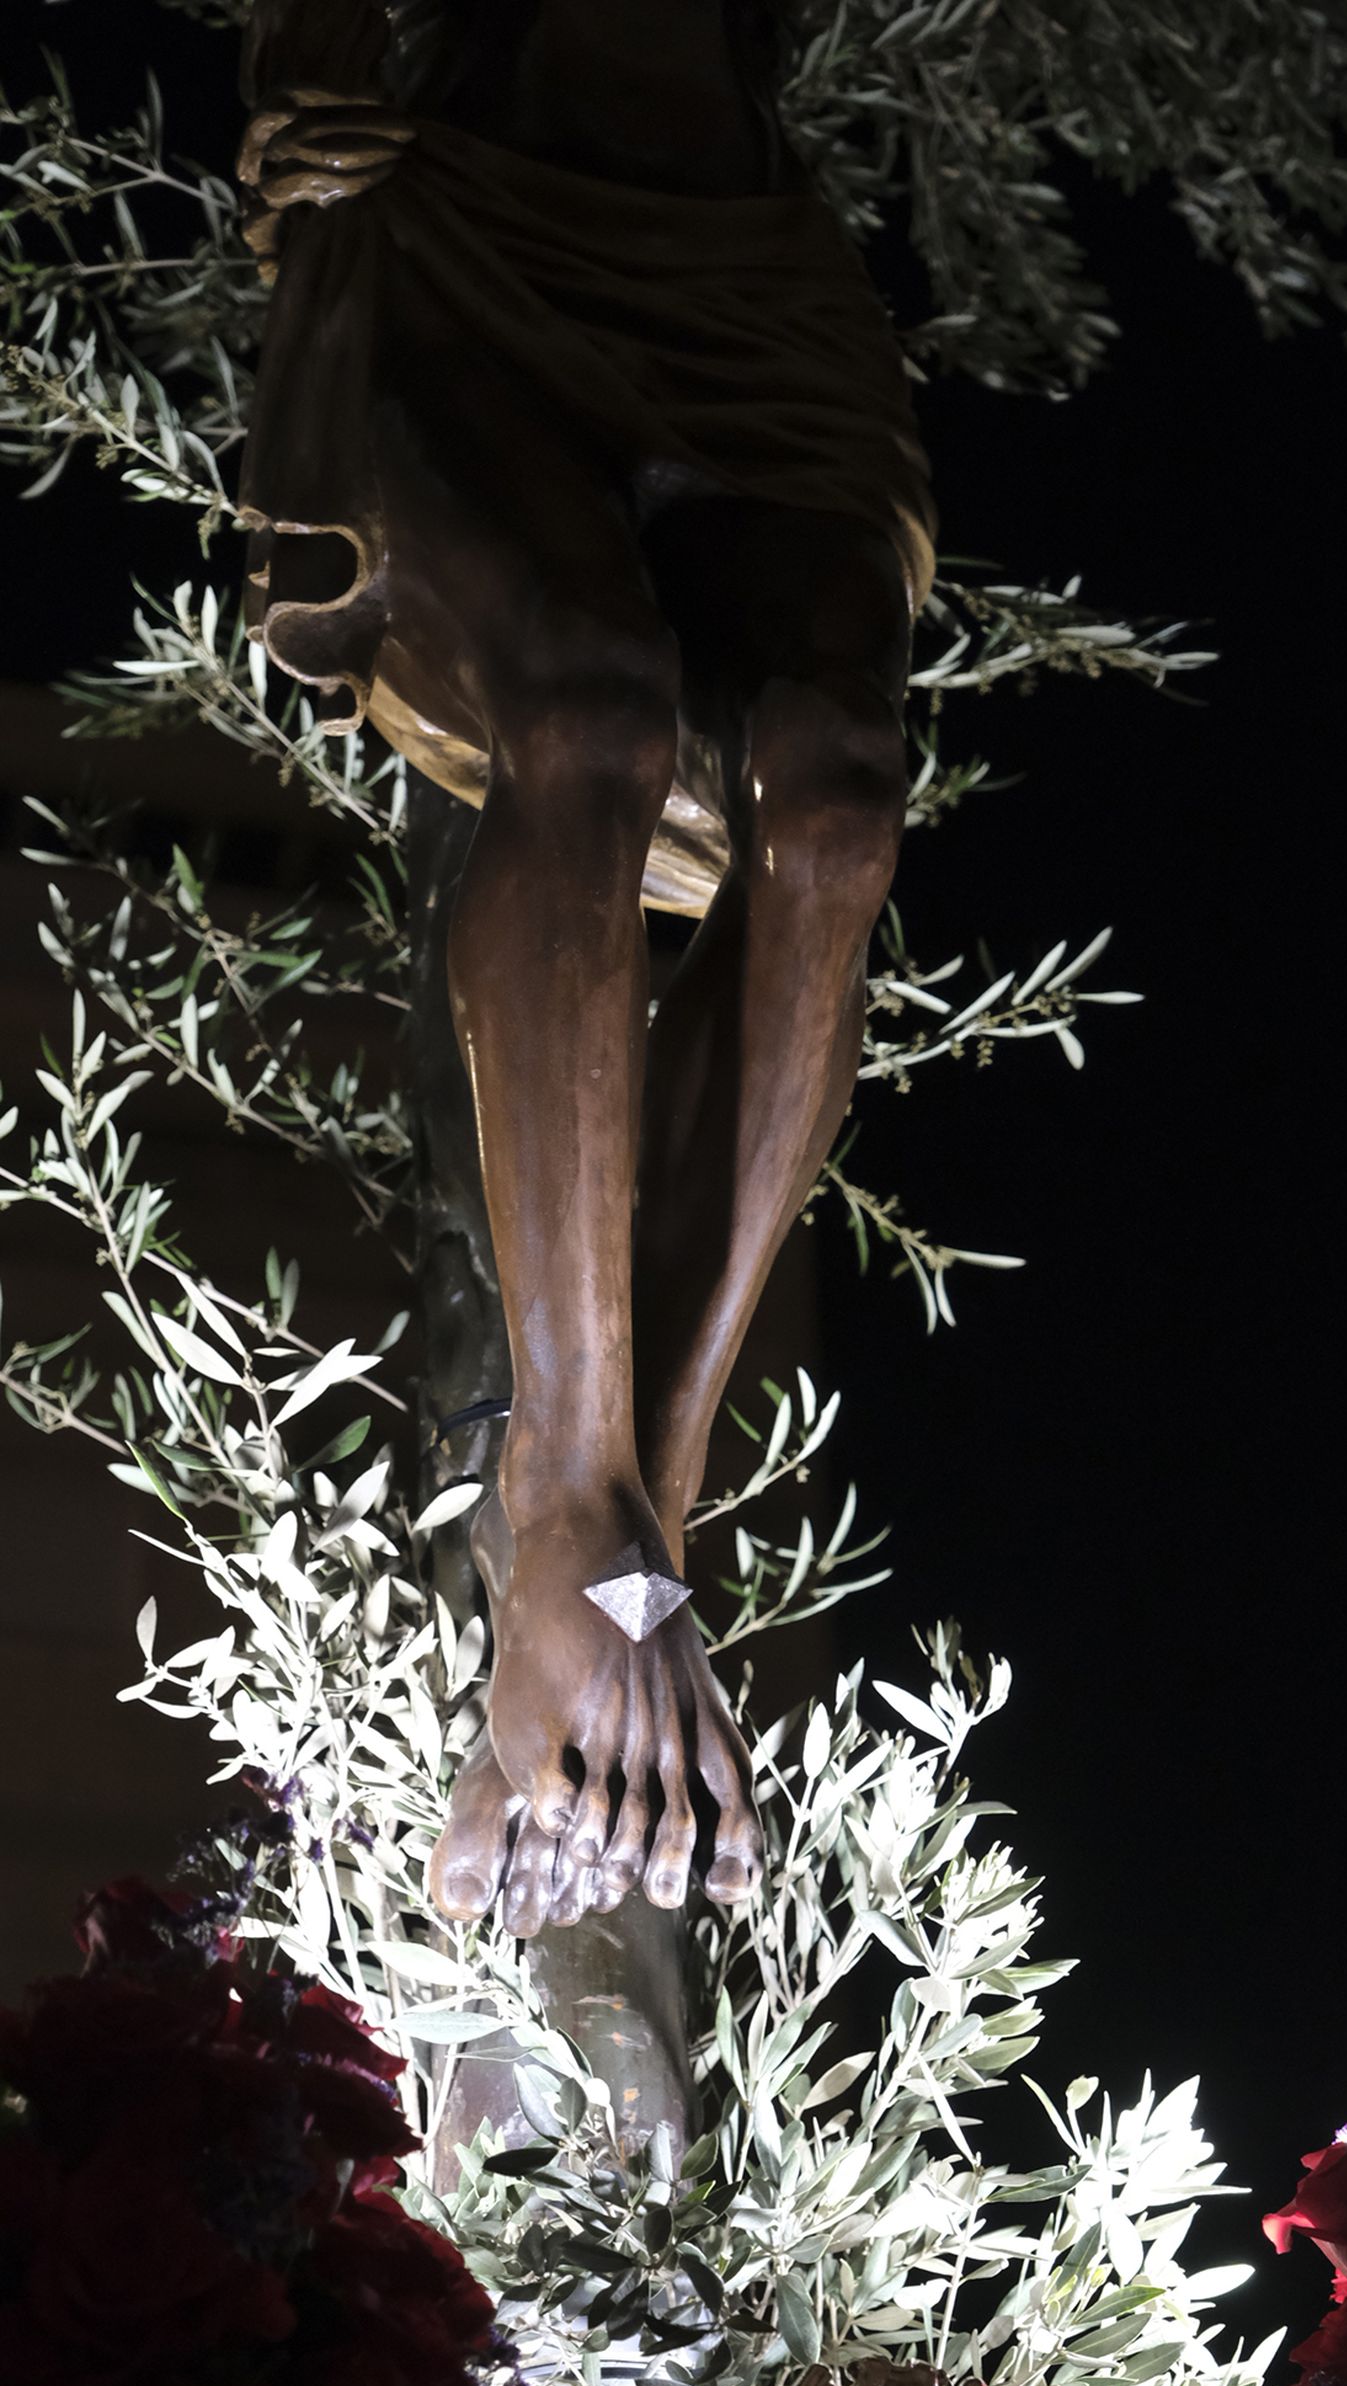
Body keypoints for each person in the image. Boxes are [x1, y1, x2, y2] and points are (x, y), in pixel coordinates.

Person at [238, 0, 935, 1939]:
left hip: (736, 252)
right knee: (595, 713)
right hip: (472, 209)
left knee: (835, 810)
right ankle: (564, 1523)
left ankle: (629, 1538)